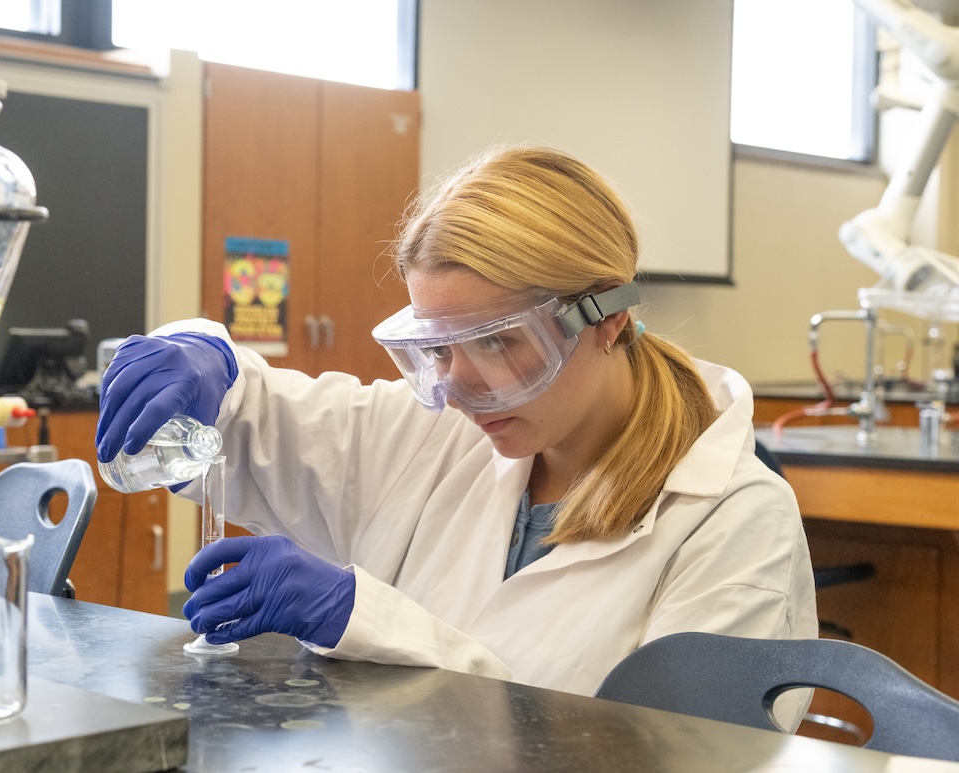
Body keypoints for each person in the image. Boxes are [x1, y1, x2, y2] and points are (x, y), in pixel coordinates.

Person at [95, 144, 817, 697]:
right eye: (436, 347)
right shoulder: (437, 433)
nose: (459, 386)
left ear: (608, 317)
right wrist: (197, 357)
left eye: (499, 342)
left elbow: (656, 756)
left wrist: (367, 621)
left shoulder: (737, 524)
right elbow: (252, 421)